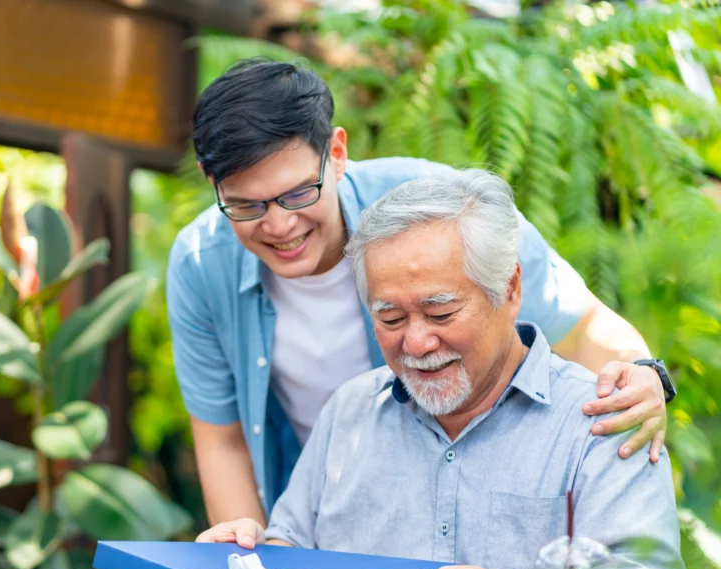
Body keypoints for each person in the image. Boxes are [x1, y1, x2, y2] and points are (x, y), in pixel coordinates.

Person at [195, 169, 685, 569]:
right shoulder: (349, 410)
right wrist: (250, 559)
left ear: (510, 288)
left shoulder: (599, 419)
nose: (416, 343)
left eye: (441, 313)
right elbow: (291, 553)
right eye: (389, 318)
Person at [167, 59, 676, 526]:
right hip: (325, 522)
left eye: (299, 193)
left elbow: (584, 326)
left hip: (477, 504)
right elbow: (224, 441)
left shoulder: (441, 212)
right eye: (246, 206)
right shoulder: (199, 264)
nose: (279, 224)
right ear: (212, 183)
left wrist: (644, 375)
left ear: (336, 153)